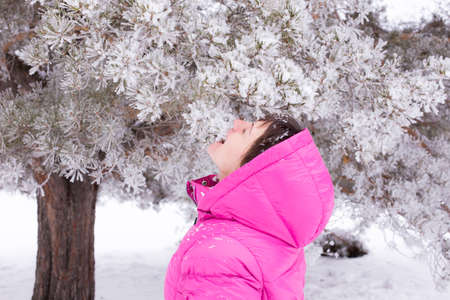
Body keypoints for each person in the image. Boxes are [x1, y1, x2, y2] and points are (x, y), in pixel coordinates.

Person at [164, 113, 335, 299]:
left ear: (255, 166)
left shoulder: (222, 255)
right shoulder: (266, 239)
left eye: (246, 131)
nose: (237, 122)